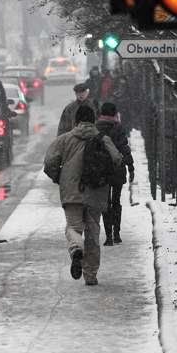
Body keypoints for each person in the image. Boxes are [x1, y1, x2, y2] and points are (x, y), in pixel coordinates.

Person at [44, 105, 122, 286]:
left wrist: (59, 177)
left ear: (76, 121)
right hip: (95, 191)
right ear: (93, 120)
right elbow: (117, 159)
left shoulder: (65, 140)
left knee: (73, 227)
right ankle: (91, 275)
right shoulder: (103, 139)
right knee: (93, 232)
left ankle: (76, 249)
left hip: (72, 191)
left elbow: (49, 163)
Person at [96, 102, 134, 245]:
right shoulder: (118, 128)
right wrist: (131, 167)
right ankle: (117, 233)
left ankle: (109, 236)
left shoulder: (97, 128)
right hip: (117, 168)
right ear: (114, 114)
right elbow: (125, 148)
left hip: (102, 170)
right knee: (116, 202)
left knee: (105, 203)